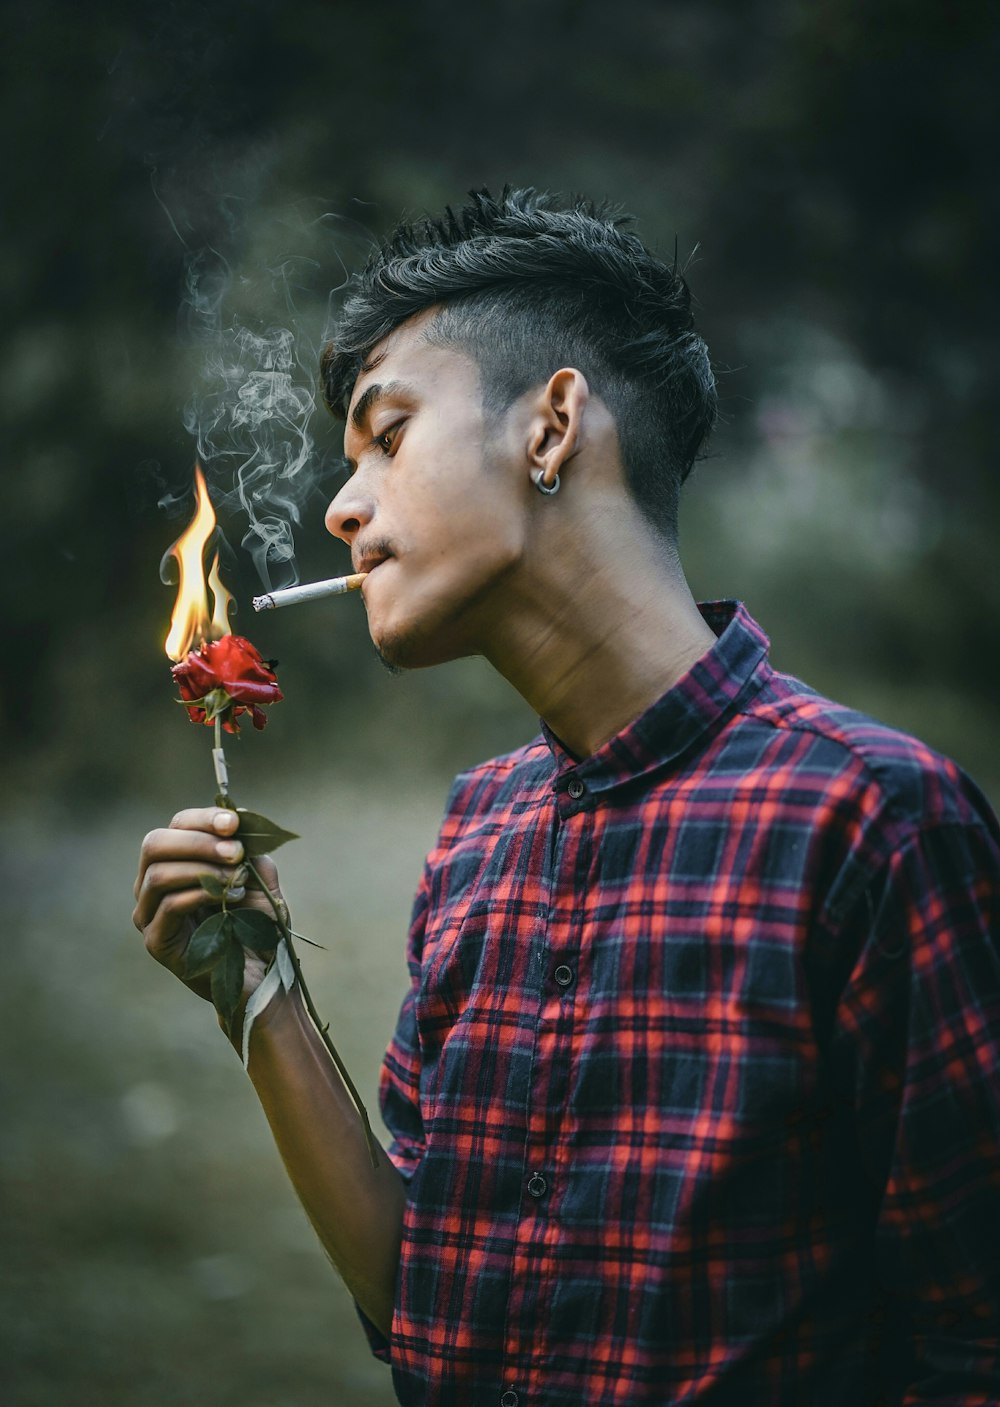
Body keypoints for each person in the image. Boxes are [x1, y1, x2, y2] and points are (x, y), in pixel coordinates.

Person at [133, 188, 1000, 1406]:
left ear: (551, 427)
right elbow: (417, 1305)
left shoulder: (870, 821)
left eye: (387, 437)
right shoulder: (480, 832)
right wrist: (259, 992)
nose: (342, 507)